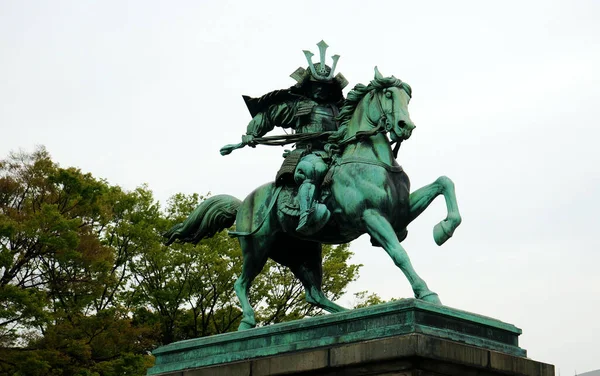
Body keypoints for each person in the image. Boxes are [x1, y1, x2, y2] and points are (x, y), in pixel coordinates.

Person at [240, 41, 348, 235]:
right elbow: (269, 115)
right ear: (307, 86)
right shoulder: (298, 106)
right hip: (308, 154)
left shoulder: (339, 110)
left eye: (325, 86)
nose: (321, 90)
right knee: (312, 170)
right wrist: (252, 133)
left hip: (335, 153)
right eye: (316, 85)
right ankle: (307, 215)